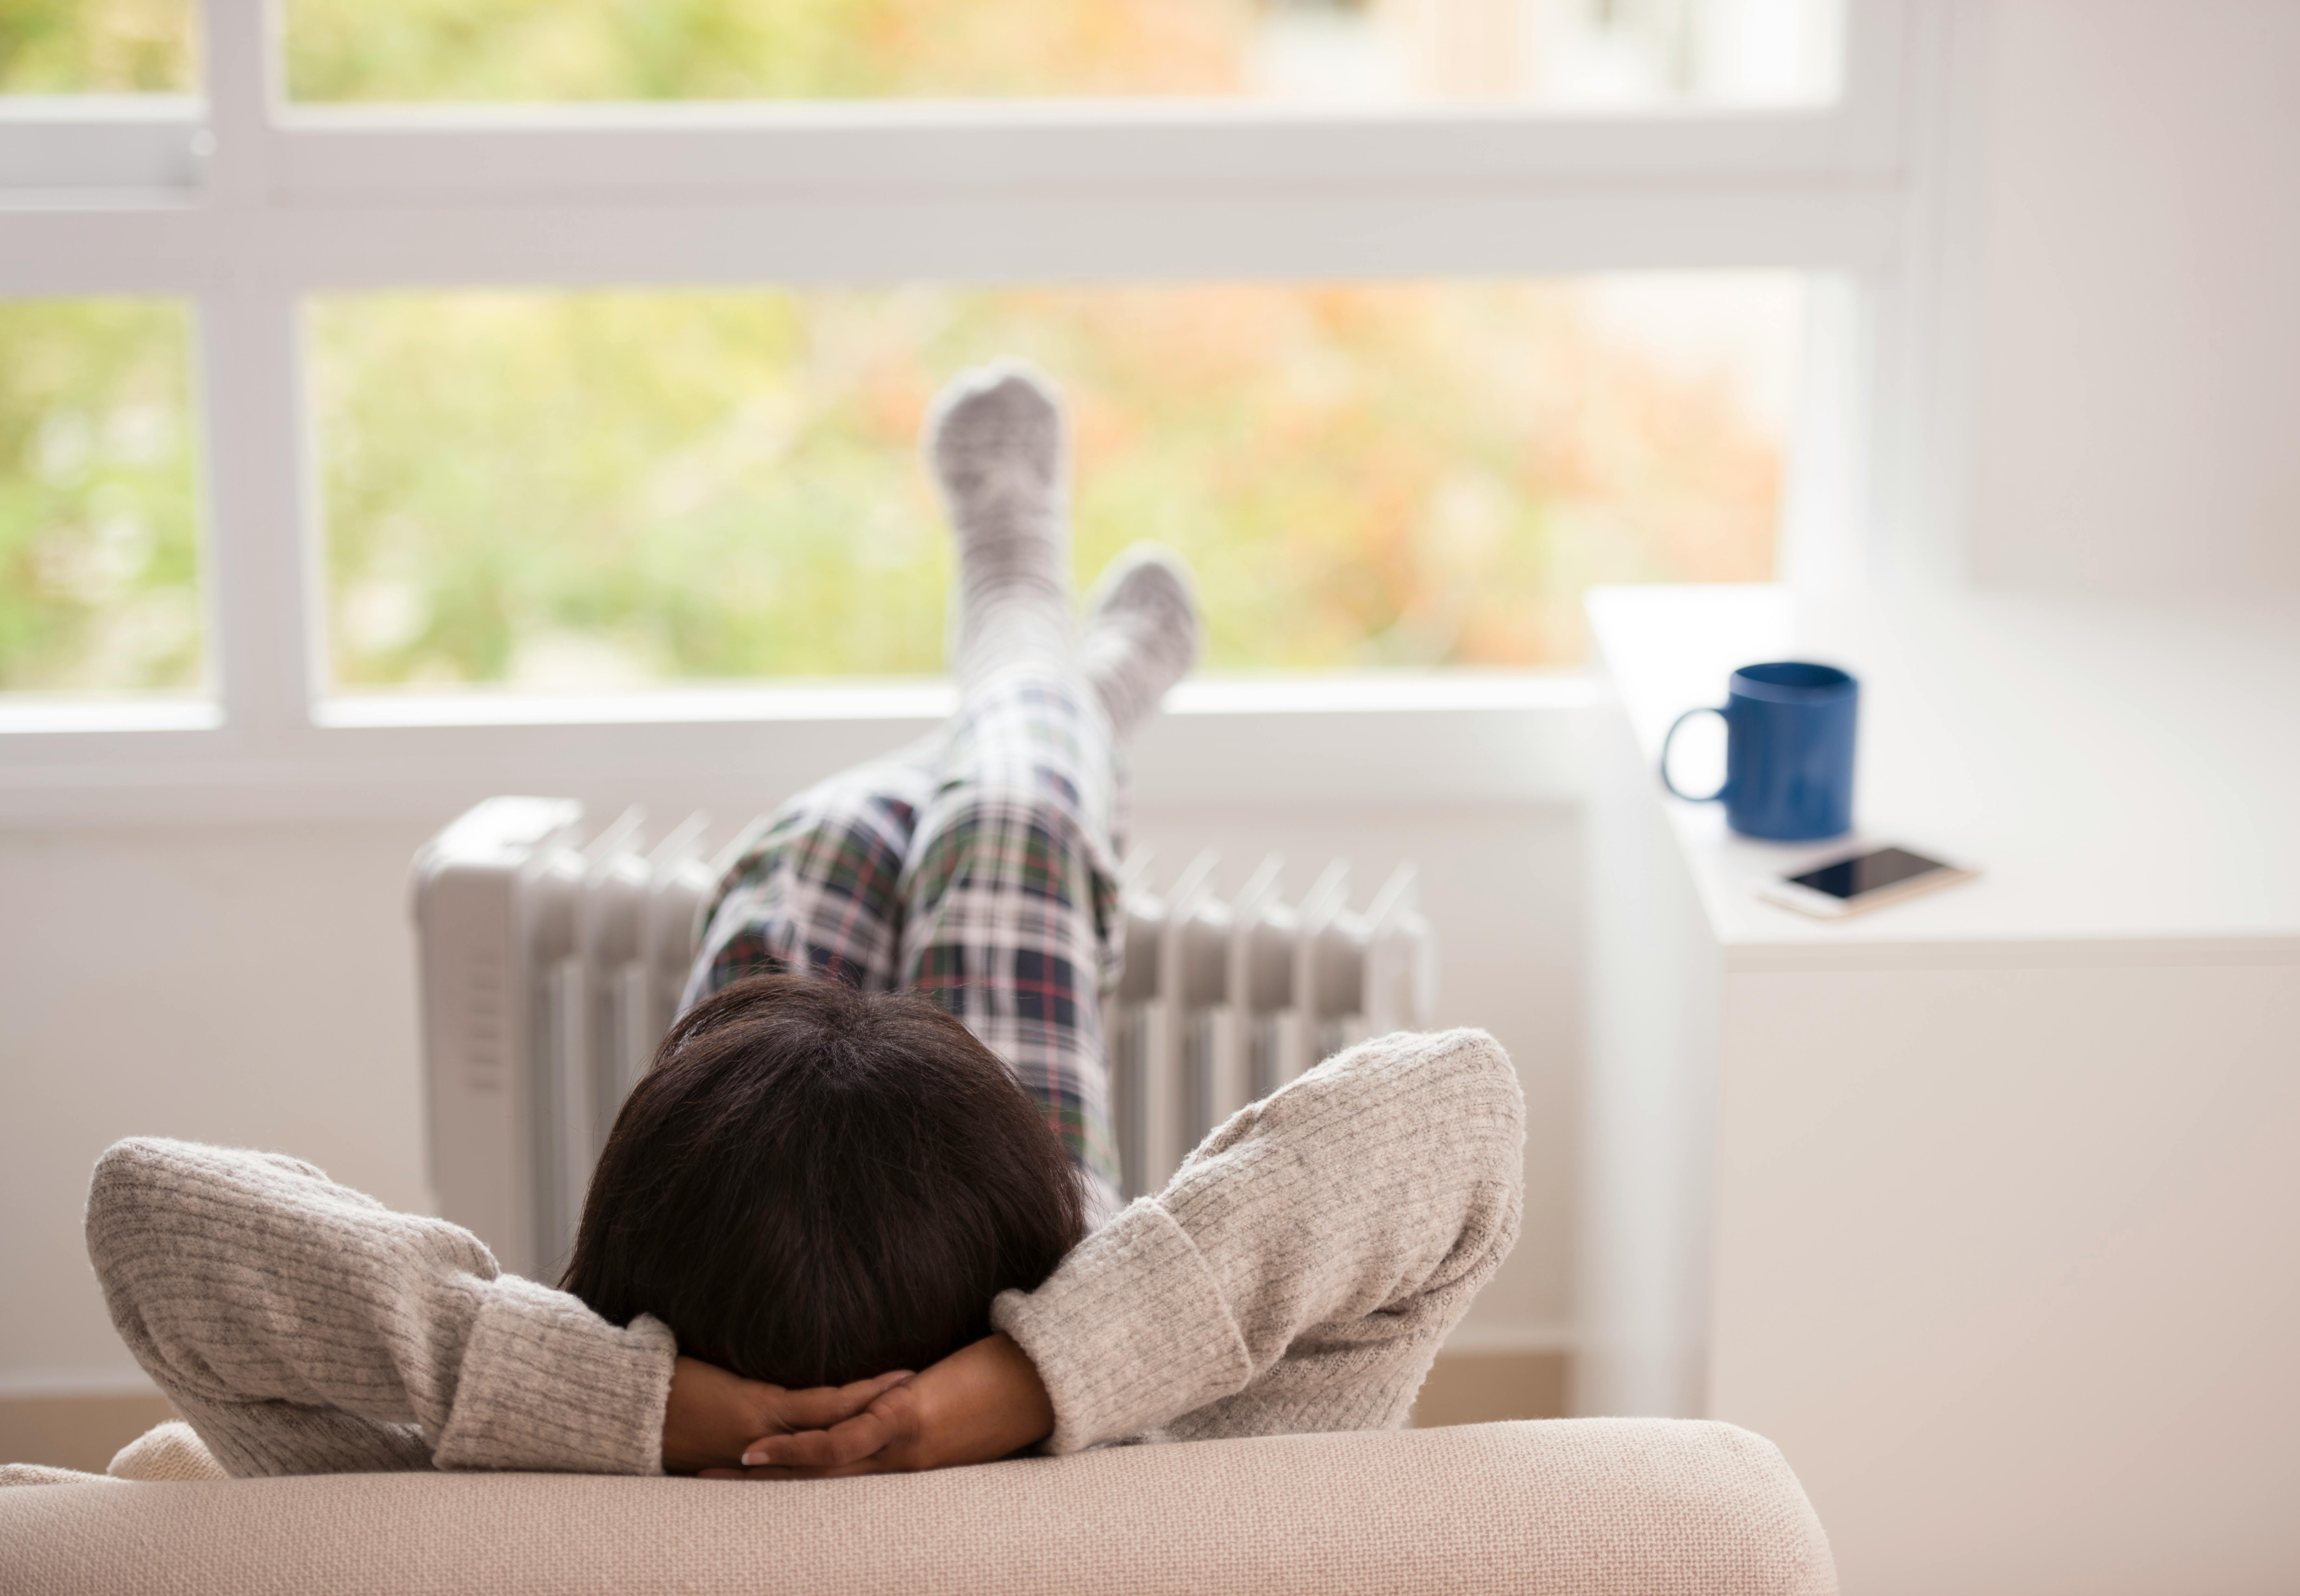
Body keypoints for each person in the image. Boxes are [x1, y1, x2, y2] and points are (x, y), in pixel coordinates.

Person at [82, 365, 1526, 1481]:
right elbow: (1459, 1109)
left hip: (742, 1300)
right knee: (1005, 831)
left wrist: (637, 1412)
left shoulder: (479, 1508)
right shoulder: (1169, 1480)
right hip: (1013, 1346)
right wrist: (1032, 1380)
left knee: (813, 862)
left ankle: (1045, 674)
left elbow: (154, 1216)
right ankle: (1030, 650)